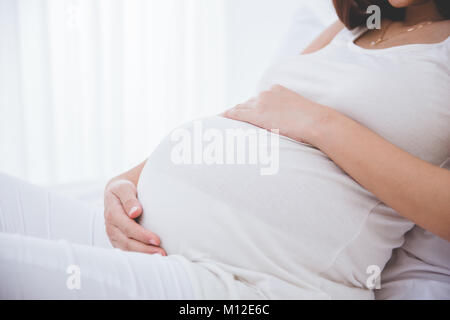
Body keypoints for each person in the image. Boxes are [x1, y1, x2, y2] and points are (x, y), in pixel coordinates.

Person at [1, 0, 449, 299]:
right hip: (148, 238)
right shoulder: (356, 23)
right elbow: (253, 111)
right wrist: (125, 183)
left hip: (250, 285)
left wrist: (322, 124)